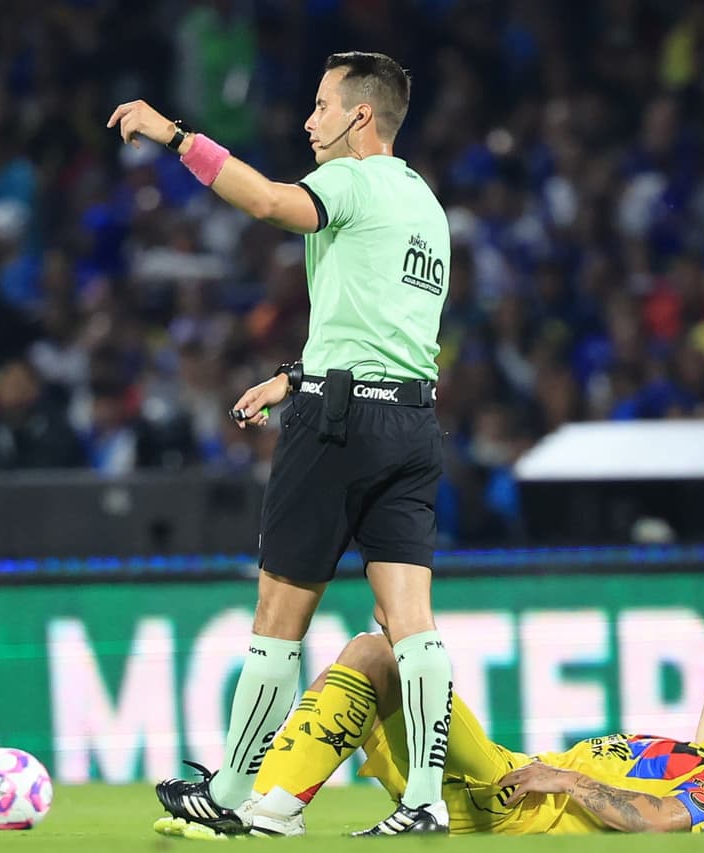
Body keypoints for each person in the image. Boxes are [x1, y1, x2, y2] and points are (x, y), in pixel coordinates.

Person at [108, 51, 456, 835]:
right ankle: (425, 801)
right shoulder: (427, 207)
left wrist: (175, 136)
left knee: (278, 615)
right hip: (411, 422)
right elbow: (382, 329)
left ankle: (232, 795)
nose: (308, 120)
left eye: (322, 105)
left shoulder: (351, 180)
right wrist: (297, 376)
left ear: (361, 116)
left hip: (339, 429)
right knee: (410, 619)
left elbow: (267, 202)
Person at [156, 632, 704, 839]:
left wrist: (568, 780)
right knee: (369, 662)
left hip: (515, 794)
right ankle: (257, 807)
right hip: (505, 781)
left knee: (379, 653)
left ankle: (258, 805)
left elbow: (656, 818)